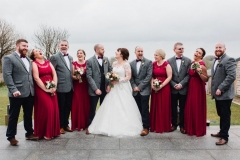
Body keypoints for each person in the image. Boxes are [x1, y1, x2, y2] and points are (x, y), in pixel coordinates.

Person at [88, 48, 142, 136]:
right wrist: (109, 84)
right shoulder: (114, 63)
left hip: (122, 87)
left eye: (117, 52)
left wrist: (118, 80)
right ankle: (105, 126)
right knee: (111, 105)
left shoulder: (126, 64)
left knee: (123, 106)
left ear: (121, 54)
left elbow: (128, 77)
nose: (115, 53)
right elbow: (111, 75)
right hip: (113, 87)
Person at [2, 39, 38, 146]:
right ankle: (11, 136)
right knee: (14, 115)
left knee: (28, 114)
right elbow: (7, 76)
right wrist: (13, 90)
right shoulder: (9, 58)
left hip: (29, 92)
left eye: (27, 46)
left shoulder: (28, 59)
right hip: (16, 93)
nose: (26, 48)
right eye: (23, 45)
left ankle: (29, 133)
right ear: (17, 46)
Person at [30, 49, 60, 140]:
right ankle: (44, 132)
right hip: (41, 89)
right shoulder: (34, 63)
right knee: (48, 108)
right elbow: (36, 78)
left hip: (52, 87)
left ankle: (53, 132)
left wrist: (54, 86)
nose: (39, 51)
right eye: (36, 51)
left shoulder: (48, 62)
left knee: (54, 109)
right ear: (34, 55)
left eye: (39, 50)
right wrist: (45, 89)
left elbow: (54, 74)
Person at [210, 43, 236, 145]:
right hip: (217, 94)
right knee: (220, 114)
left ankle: (224, 137)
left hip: (225, 94)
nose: (218, 49)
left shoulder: (229, 59)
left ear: (225, 49)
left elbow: (231, 76)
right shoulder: (215, 60)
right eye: (216, 47)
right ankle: (221, 132)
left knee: (225, 115)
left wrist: (220, 88)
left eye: (220, 47)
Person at [86, 44, 112, 134]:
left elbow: (110, 71)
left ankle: (103, 126)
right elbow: (89, 76)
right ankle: (91, 127)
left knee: (104, 108)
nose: (104, 50)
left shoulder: (106, 59)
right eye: (102, 49)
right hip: (94, 89)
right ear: (97, 50)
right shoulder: (89, 61)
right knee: (92, 108)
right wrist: (95, 89)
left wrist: (109, 85)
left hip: (105, 88)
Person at [50, 40, 73, 134]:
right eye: (62, 45)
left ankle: (66, 124)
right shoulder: (54, 57)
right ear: (59, 46)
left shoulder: (70, 57)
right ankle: (60, 126)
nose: (64, 46)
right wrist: (52, 85)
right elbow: (51, 71)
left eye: (65, 45)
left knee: (68, 106)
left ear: (68, 46)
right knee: (61, 107)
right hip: (60, 86)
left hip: (70, 86)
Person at [167, 42, 191, 134]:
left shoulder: (188, 61)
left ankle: (182, 125)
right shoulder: (169, 61)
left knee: (183, 108)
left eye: (182, 48)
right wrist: (173, 84)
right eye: (179, 49)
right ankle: (173, 124)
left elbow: (188, 75)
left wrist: (181, 84)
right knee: (173, 107)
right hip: (172, 88)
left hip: (183, 89)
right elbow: (168, 75)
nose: (181, 50)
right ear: (174, 50)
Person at [184, 48, 208, 137]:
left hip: (198, 88)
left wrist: (200, 72)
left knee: (197, 107)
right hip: (191, 86)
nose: (197, 53)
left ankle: (197, 129)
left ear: (201, 56)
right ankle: (190, 128)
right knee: (190, 106)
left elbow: (206, 79)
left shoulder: (202, 65)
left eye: (199, 53)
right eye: (196, 51)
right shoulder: (192, 63)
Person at [130, 46, 152, 136]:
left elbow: (149, 76)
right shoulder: (131, 63)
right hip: (135, 90)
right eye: (138, 51)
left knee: (144, 109)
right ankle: (138, 126)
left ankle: (146, 127)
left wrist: (140, 87)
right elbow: (131, 77)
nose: (140, 53)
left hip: (144, 90)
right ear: (135, 52)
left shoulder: (148, 62)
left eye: (142, 51)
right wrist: (134, 86)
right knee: (136, 109)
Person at [150, 49, 172, 133]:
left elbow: (169, 77)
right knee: (155, 105)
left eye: (156, 55)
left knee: (164, 106)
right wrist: (153, 84)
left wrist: (161, 85)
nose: (154, 56)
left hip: (164, 87)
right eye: (154, 55)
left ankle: (164, 126)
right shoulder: (153, 64)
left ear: (161, 56)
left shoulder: (167, 65)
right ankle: (154, 126)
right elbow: (152, 76)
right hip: (155, 87)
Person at [71, 49, 90, 131]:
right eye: (78, 53)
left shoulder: (88, 63)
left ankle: (86, 124)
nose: (79, 54)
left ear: (84, 55)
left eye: (81, 53)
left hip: (86, 86)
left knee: (86, 104)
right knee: (77, 103)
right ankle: (77, 124)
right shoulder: (74, 64)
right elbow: (72, 75)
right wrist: (76, 77)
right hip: (77, 85)